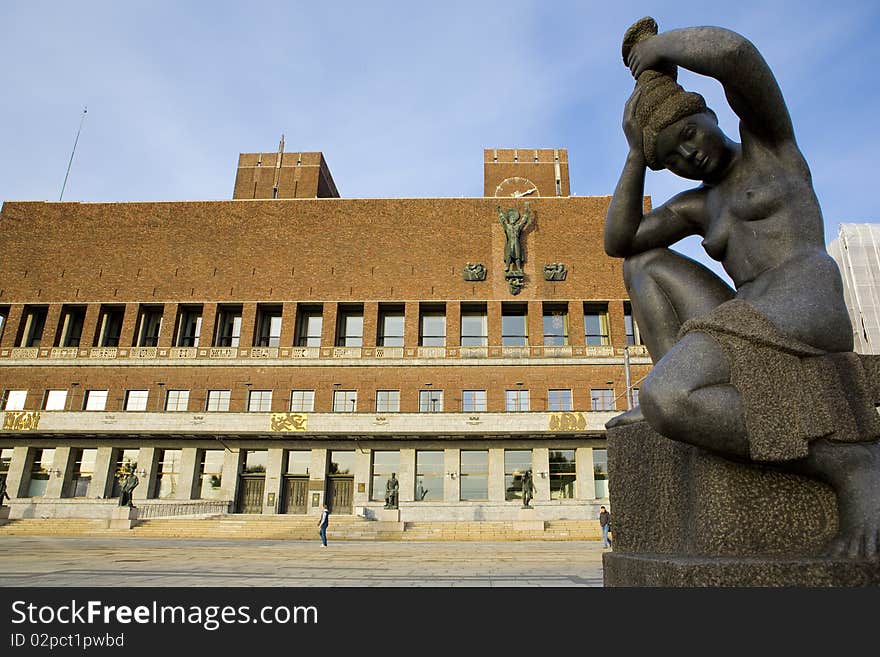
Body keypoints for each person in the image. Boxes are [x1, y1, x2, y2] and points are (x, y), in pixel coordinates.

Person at [604, 17, 880, 558]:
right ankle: (667, 385)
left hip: (804, 298)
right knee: (643, 263)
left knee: (667, 396)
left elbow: (733, 53)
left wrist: (657, 50)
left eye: (688, 134)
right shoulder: (700, 204)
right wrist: (638, 153)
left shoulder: (771, 148)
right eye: (673, 158)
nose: (691, 156)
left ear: (709, 113)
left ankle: (848, 464)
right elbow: (623, 238)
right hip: (750, 313)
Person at [497, 202, 532, 273]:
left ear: (515, 219)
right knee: (509, 254)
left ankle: (519, 268)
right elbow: (503, 221)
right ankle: (507, 266)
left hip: (516, 242)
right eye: (511, 218)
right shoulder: (507, 226)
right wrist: (500, 212)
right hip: (510, 242)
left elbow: (523, 221)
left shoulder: (518, 227)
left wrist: (527, 211)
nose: (512, 219)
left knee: (517, 254)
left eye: (513, 218)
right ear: (509, 219)